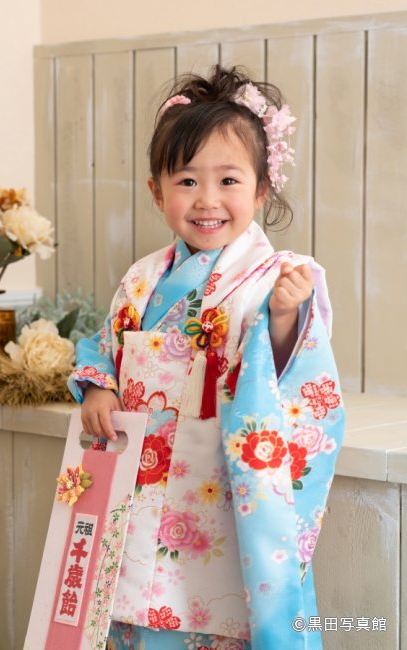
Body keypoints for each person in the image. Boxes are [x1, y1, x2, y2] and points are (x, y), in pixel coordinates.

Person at [68, 66, 345, 650]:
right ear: (157, 191)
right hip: (137, 487)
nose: (207, 200)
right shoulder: (142, 279)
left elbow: (294, 376)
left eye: (228, 180)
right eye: (187, 180)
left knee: (216, 616)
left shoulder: (277, 278)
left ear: (261, 190)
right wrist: (98, 386)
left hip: (218, 495)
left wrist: (285, 316)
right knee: (129, 609)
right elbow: (105, 344)